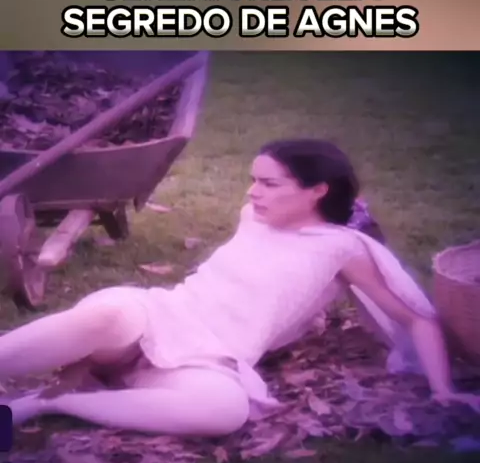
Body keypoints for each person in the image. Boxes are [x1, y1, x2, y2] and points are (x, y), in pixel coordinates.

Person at [1, 138, 479, 435]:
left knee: (224, 411)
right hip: (158, 315)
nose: (252, 192)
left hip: (213, 356)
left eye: (270, 184)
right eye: (254, 180)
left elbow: (417, 318)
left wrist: (443, 390)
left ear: (318, 191)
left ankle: (50, 404)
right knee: (110, 312)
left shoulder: (342, 249)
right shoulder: (254, 215)